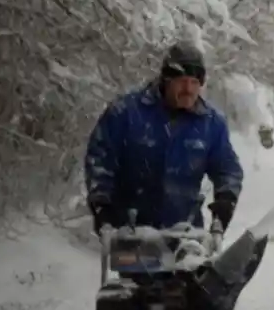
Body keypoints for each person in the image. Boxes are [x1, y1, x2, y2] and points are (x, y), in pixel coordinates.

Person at [84, 41, 243, 235]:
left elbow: (227, 169)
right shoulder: (126, 113)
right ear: (166, 80)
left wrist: (225, 203)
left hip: (185, 234)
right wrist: (102, 206)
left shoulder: (211, 123)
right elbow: (100, 158)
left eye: (195, 82)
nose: (189, 89)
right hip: (132, 233)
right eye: (182, 81)